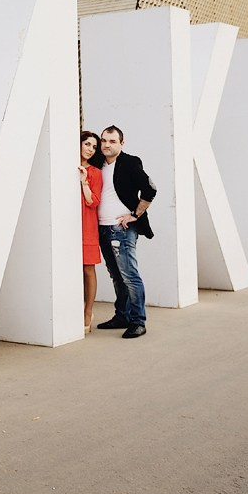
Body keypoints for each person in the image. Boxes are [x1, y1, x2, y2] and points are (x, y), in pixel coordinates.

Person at [92, 126, 155, 339]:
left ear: (122, 143)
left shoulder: (129, 162)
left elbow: (150, 189)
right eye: (104, 141)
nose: (106, 145)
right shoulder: (98, 162)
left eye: (112, 141)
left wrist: (135, 214)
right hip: (102, 227)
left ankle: (139, 321)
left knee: (130, 276)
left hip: (122, 228)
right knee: (116, 276)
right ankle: (122, 316)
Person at [79, 130, 102, 334]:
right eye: (87, 144)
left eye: (94, 147)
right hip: (70, 226)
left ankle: (88, 312)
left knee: (88, 269)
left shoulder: (95, 172)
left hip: (87, 226)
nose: (90, 149)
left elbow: (92, 201)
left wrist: (84, 180)